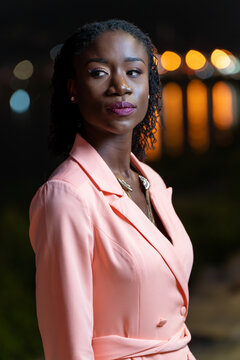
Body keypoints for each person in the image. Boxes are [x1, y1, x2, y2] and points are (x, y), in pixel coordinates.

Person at [29, 19, 196, 360]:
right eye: (99, 73)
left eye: (134, 72)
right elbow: (67, 348)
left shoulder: (149, 178)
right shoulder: (66, 196)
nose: (120, 86)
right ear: (73, 89)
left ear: (149, 87)